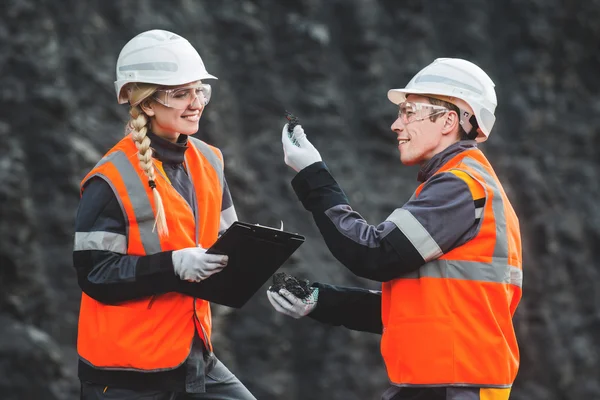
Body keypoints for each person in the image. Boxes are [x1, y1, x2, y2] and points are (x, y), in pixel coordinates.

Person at [268, 58, 523, 400]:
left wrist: (314, 175)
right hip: (445, 383)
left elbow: (375, 254)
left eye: (408, 111)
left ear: (449, 120)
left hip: (454, 387)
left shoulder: (460, 188)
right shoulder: (460, 185)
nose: (395, 124)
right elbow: (412, 309)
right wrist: (321, 300)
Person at [73, 29, 256, 400]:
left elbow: (227, 243)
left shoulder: (210, 161)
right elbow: (94, 273)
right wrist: (172, 266)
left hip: (191, 356)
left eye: (200, 90)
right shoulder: (110, 179)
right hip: (125, 375)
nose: (196, 103)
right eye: (180, 93)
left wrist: (259, 260)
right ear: (148, 104)